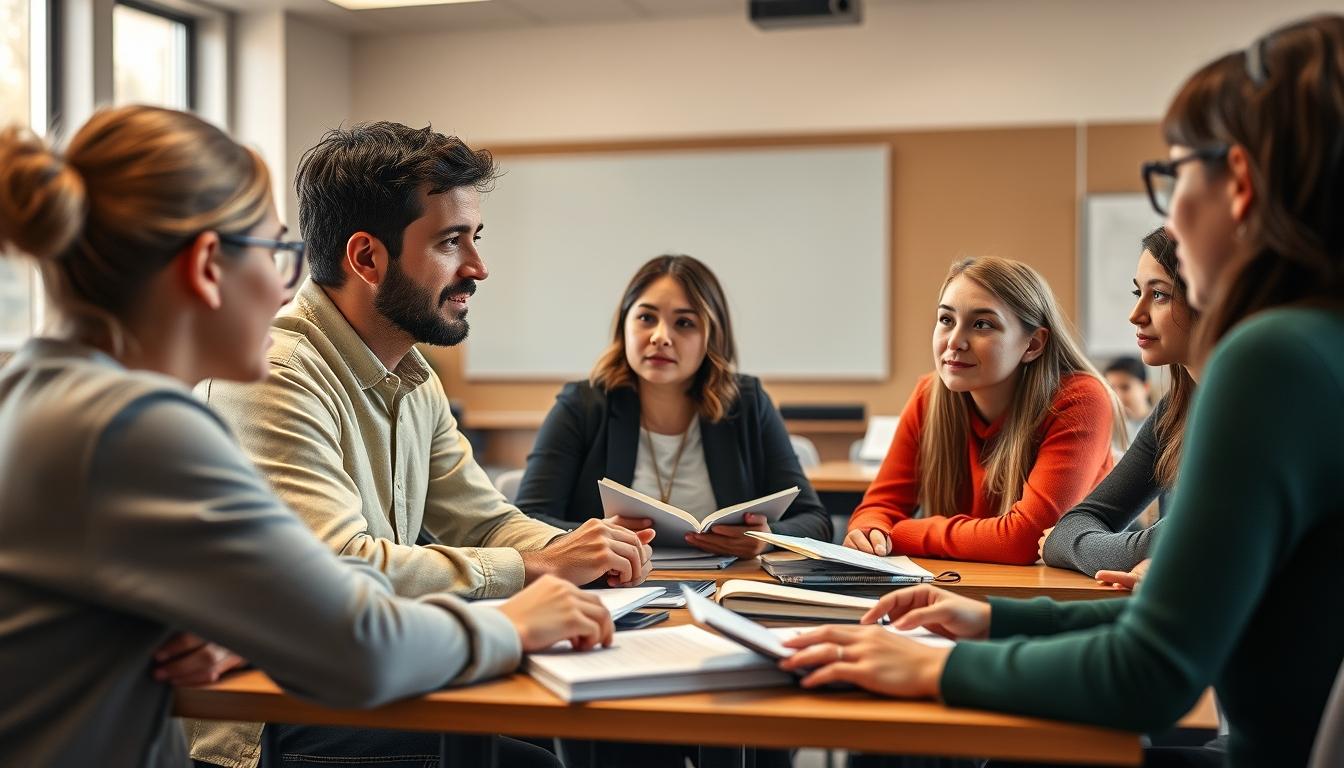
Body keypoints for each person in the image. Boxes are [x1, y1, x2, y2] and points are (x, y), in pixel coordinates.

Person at [783, 15, 1344, 766]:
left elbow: (1151, 674)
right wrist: (992, 624)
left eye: (1173, 176)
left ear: (1238, 183)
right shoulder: (1318, 346)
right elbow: (1167, 625)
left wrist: (937, 665)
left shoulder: (1270, 359)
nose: (1170, 212)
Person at [0, 106, 610, 767]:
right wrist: (512, 623)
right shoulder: (138, 427)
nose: (289, 291)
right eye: (280, 254)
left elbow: (296, 584)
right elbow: (359, 645)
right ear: (209, 266)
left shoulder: (39, 395)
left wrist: (243, 619)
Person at [187, 121, 653, 767]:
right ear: (367, 258)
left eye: (476, 239)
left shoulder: (412, 373)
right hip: (274, 714)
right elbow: (335, 571)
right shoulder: (273, 374)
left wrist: (574, 550)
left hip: (366, 669)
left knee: (556, 731)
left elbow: (482, 520)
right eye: (450, 242)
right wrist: (536, 569)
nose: (478, 268)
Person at [517, 254, 832, 556]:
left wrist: (767, 538)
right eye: (646, 318)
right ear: (624, 325)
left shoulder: (747, 403)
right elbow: (526, 520)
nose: (660, 337)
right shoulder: (582, 405)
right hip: (613, 587)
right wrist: (590, 537)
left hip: (724, 585)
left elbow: (815, 521)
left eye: (684, 323)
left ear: (712, 337)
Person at [843, 256, 1119, 565]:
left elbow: (1024, 539)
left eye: (982, 324)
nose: (955, 342)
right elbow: (877, 509)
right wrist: (871, 531)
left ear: (1033, 345)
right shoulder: (929, 395)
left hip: (1056, 598)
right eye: (946, 320)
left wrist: (900, 534)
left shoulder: (1081, 400)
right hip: (958, 589)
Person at [1041, 228, 1200, 584]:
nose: (1135, 314)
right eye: (1137, 292)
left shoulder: (1258, 415)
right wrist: (1146, 551)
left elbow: (1185, 540)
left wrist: (1149, 550)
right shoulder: (1173, 414)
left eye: (1159, 294)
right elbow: (1068, 530)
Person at [1103, 356, 1151, 443]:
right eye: (1111, 389)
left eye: (1125, 387)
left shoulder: (1163, 425)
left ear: (1146, 387)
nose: (1117, 396)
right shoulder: (1106, 428)